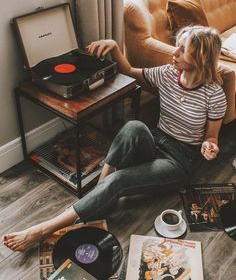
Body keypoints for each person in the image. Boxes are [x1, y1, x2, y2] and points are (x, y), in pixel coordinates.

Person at [2, 25, 227, 251]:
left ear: (201, 57)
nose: (174, 52)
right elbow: (129, 70)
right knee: (134, 126)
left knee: (120, 181)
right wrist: (115, 47)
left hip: (179, 161)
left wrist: (210, 146)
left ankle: (43, 229)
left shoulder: (214, 94)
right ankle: (103, 185)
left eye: (182, 49)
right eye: (176, 45)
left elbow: (211, 137)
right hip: (156, 140)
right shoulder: (168, 73)